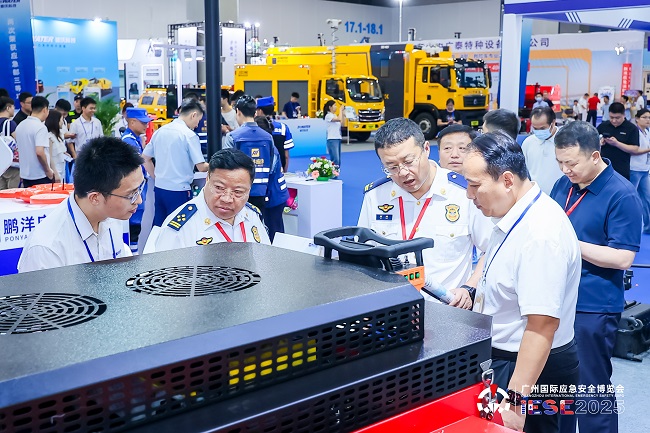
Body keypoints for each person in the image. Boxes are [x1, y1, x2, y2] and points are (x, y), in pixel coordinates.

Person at [464, 132, 580, 433]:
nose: (468, 195)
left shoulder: (540, 235)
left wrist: (516, 402)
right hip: (506, 361)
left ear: (506, 180)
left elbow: (541, 326)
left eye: (475, 185)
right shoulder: (514, 214)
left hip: (529, 370)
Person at [550, 121, 642, 433]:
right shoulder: (563, 184)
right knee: (558, 385)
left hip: (593, 305)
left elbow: (623, 257)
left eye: (572, 163)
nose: (566, 170)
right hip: (557, 300)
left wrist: (570, 243)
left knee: (591, 387)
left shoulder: (621, 194)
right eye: (560, 162)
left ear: (594, 155)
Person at [358, 118, 491, 308]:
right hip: (392, 309)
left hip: (447, 308)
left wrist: (469, 288)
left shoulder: (463, 193)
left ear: (426, 149)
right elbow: (363, 252)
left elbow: (490, 249)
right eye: (392, 167)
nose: (403, 172)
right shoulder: (376, 196)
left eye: (409, 161)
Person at [17, 136, 143, 272]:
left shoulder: (112, 215)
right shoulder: (47, 248)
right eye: (131, 195)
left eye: (139, 190)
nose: (139, 200)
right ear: (95, 198)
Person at [148, 148, 271, 252]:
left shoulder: (252, 215)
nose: (227, 199)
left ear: (249, 189)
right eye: (219, 188)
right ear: (207, 179)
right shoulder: (180, 229)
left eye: (238, 192)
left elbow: (265, 260)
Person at [143, 99, 209, 227]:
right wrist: (218, 165)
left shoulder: (160, 131)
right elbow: (201, 167)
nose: (197, 125)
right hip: (179, 191)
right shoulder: (189, 135)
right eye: (198, 120)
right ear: (193, 115)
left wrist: (156, 177)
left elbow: (145, 158)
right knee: (179, 229)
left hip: (160, 189)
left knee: (159, 228)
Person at [223, 94, 281, 215]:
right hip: (261, 192)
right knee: (257, 224)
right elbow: (272, 166)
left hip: (238, 193)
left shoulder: (233, 136)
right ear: (255, 113)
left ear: (238, 112)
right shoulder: (268, 137)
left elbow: (226, 166)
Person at [254, 114, 289, 242]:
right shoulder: (267, 146)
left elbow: (268, 173)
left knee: (275, 232)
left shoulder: (269, 149)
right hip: (273, 195)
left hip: (274, 196)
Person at [121, 107, 152, 251]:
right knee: (134, 222)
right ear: (132, 122)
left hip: (138, 188)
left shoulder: (134, 139)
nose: (146, 125)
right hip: (134, 189)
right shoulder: (129, 141)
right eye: (143, 122)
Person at [14, 96, 58, 186]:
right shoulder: (40, 127)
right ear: (45, 109)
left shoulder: (20, 125)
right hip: (40, 175)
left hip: (25, 175)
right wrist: (48, 170)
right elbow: (39, 152)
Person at [521, 106, 563, 195]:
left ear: (553, 123)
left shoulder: (565, 142)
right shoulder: (528, 143)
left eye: (543, 128)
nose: (538, 132)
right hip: (535, 196)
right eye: (535, 129)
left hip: (561, 195)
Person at [597, 102, 639, 180]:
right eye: (611, 117)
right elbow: (592, 144)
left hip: (621, 168)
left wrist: (617, 143)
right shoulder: (603, 126)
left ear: (624, 115)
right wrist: (600, 143)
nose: (614, 120)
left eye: (617, 118)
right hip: (603, 167)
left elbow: (635, 149)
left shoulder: (631, 128)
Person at [256, 96, 294, 172]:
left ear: (260, 111)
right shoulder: (283, 127)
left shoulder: (255, 127)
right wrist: (284, 172)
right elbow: (286, 155)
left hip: (260, 170)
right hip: (278, 170)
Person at [0, 96, 19, 189]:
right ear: (8, 108)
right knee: (12, 192)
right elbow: (18, 140)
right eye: (13, 107)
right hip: (11, 165)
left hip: (1, 164)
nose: (13, 109)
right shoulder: (10, 124)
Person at [45, 110, 69, 182]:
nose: (62, 122)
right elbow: (49, 157)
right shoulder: (49, 137)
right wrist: (55, 173)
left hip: (62, 169)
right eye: (61, 120)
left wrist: (64, 154)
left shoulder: (59, 136)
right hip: (56, 171)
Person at [324, 100, 343, 168]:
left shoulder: (334, 115)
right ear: (330, 107)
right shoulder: (328, 116)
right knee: (335, 159)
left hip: (338, 138)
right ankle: (333, 173)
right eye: (334, 105)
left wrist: (343, 114)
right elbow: (339, 119)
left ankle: (336, 173)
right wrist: (340, 110)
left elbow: (342, 123)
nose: (336, 107)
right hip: (332, 139)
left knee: (338, 160)